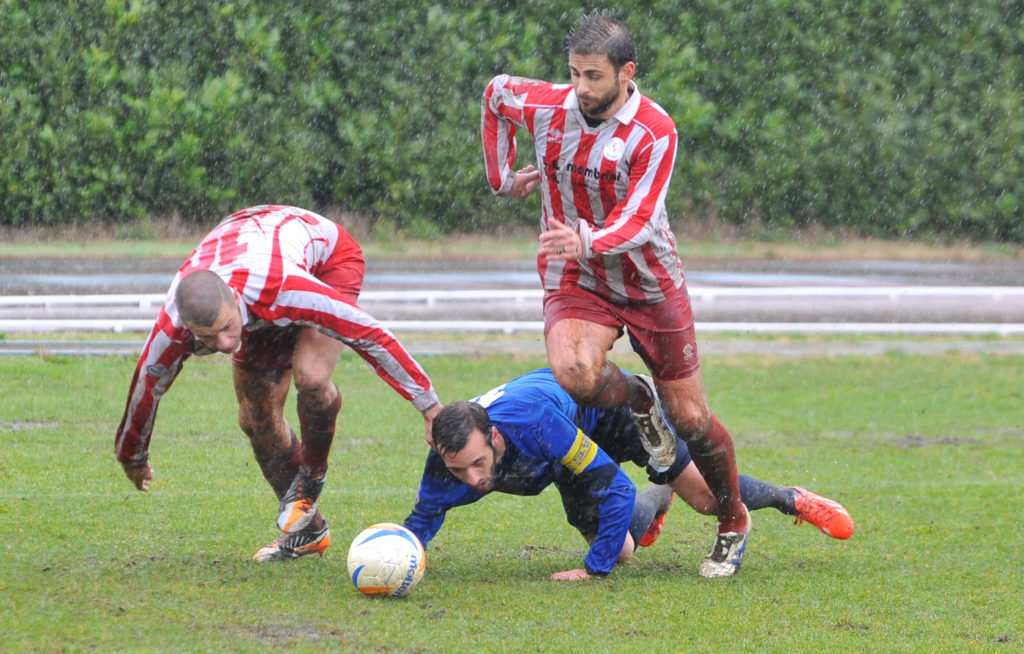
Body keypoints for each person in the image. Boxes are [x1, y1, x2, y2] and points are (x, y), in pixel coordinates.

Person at [481, 11, 751, 576]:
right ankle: (637, 400)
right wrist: (502, 176)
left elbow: (643, 220)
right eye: (574, 74)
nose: (581, 90)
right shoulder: (547, 105)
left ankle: (732, 522)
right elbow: (494, 95)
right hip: (577, 276)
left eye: (594, 78)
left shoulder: (655, 130)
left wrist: (587, 237)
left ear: (628, 72)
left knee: (695, 420)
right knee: (574, 372)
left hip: (648, 282)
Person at [114, 204, 441, 562]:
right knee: (256, 418)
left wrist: (429, 405)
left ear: (234, 301)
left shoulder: (283, 288)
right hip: (251, 260)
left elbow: (370, 335)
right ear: (189, 329)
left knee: (312, 378)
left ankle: (311, 478)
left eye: (227, 328)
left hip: (326, 260)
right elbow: (148, 382)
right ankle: (308, 533)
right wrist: (132, 455)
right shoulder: (173, 325)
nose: (225, 345)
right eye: (209, 337)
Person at [404, 368, 853, 580]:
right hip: (564, 446)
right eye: (458, 469)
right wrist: (400, 554)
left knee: (706, 500)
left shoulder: (536, 423)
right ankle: (658, 496)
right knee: (620, 550)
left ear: (496, 437)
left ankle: (789, 498)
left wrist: (590, 572)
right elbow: (425, 516)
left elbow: (614, 485)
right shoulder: (450, 458)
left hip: (610, 410)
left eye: (479, 465)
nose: (472, 479)